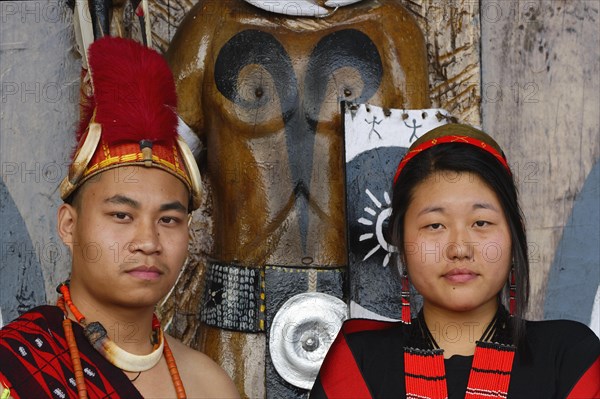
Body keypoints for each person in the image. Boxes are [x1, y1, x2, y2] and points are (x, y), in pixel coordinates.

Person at [0, 37, 239, 399]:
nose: (148, 242)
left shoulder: (209, 385)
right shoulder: (15, 368)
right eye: (122, 215)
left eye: (169, 220)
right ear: (69, 225)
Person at [310, 123, 600, 398]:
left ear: (515, 237)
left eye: (481, 223)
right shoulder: (358, 363)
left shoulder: (569, 357)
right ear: (400, 240)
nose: (460, 248)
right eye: (435, 225)